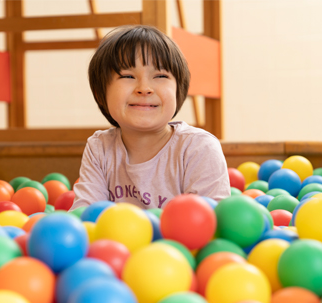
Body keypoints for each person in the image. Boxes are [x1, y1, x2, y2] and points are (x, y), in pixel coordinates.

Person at [71, 25, 230, 211]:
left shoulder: (198, 147)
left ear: (179, 91)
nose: (144, 88)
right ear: (100, 94)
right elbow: (86, 216)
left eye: (160, 75)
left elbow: (211, 221)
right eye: (128, 76)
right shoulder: (100, 148)